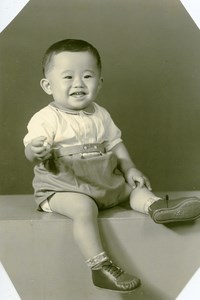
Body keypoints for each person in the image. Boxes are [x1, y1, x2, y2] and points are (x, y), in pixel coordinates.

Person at [23, 39, 200, 293]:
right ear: (48, 85)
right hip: (62, 185)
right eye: (68, 77)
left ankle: (157, 207)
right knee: (83, 208)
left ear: (100, 82)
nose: (78, 84)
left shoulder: (101, 114)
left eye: (87, 76)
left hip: (102, 179)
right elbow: (30, 149)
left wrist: (130, 169)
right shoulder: (46, 118)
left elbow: (116, 145)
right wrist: (35, 150)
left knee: (132, 189)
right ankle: (100, 267)